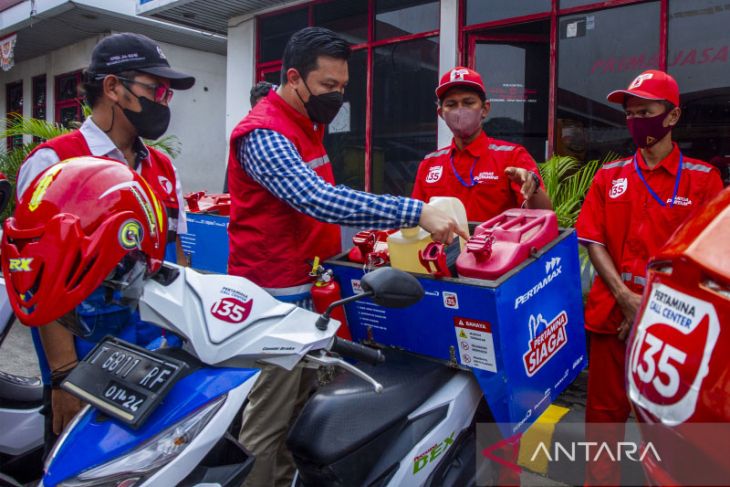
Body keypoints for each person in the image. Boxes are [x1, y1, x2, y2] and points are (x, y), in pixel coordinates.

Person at [227, 27, 466, 487]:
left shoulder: (306, 122)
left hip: (308, 292)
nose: (337, 98)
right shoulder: (264, 133)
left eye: (343, 87)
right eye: (328, 87)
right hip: (273, 301)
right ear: (294, 78)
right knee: (269, 424)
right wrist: (414, 211)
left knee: (304, 413)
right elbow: (318, 199)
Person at [14, 32, 195, 447]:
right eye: (157, 88)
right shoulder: (55, 162)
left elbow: (178, 260)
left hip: (156, 362)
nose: (164, 101)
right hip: (83, 370)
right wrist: (63, 377)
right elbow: (36, 279)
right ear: (113, 87)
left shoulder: (163, 167)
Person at [575, 69, 723, 485]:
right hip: (610, 323)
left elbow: (705, 257)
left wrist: (650, 308)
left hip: (670, 332)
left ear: (672, 117)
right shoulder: (610, 177)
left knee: (667, 435)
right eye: (630, 113)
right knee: (602, 427)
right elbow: (592, 239)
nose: (637, 120)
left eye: (646, 111)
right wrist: (625, 297)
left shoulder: (702, 179)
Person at [412, 66, 552, 221]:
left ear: (485, 109)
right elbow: (416, 220)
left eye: (468, 102)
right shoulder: (429, 164)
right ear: (441, 113)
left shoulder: (512, 156)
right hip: (441, 246)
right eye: (451, 104)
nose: (460, 110)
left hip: (496, 245)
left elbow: (544, 217)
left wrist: (533, 188)